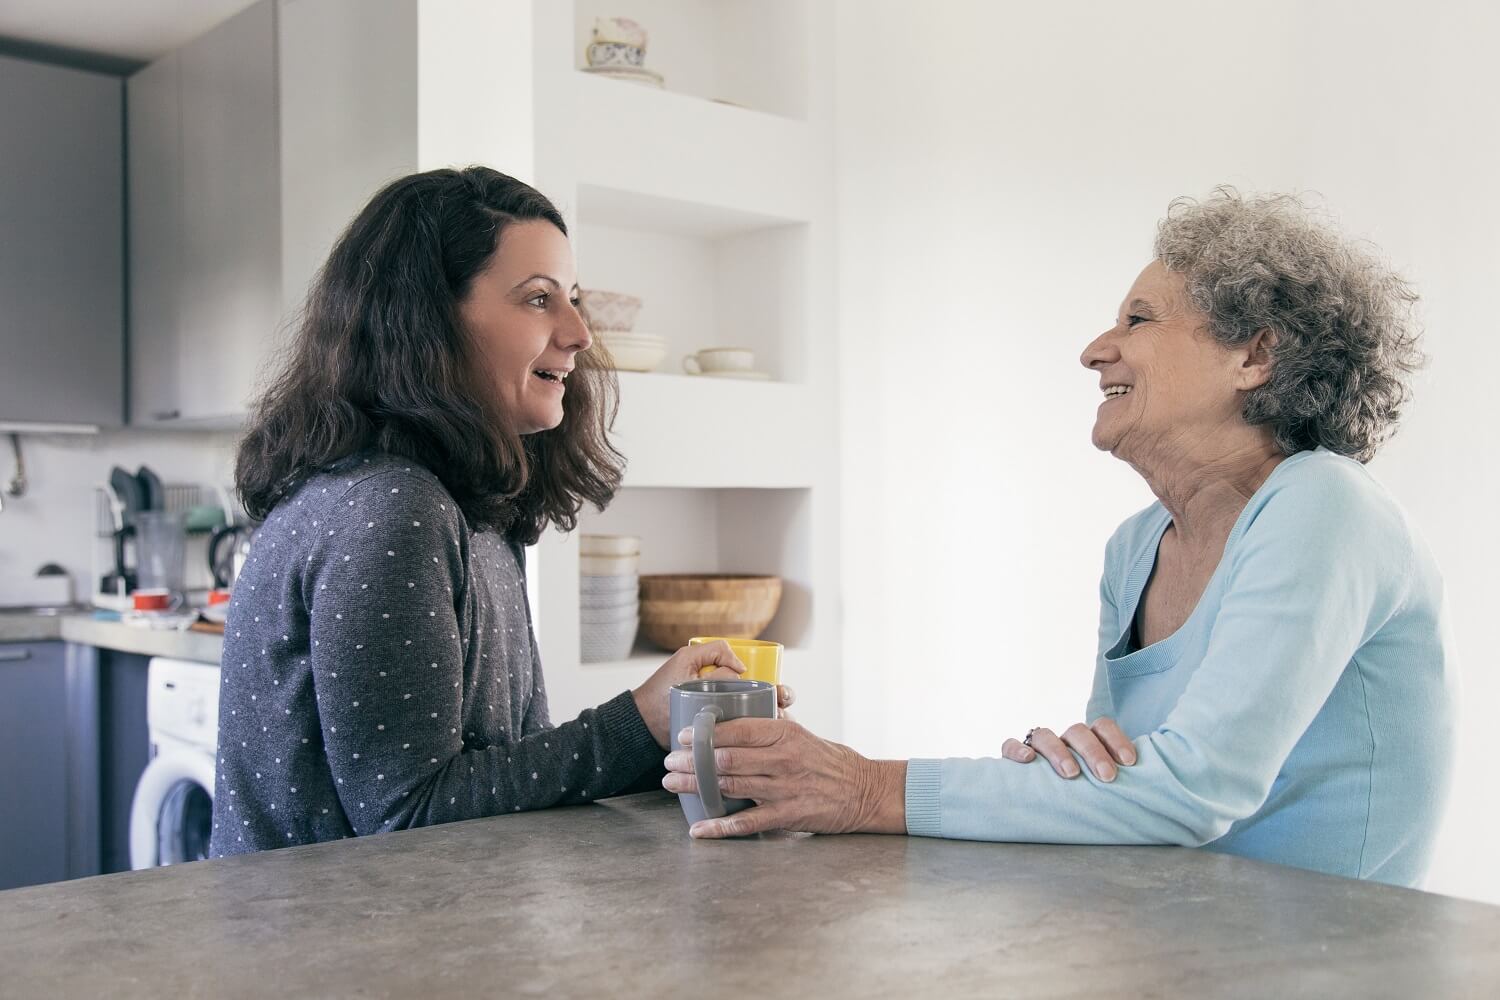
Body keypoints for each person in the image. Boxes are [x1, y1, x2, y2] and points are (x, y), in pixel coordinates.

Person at [664, 188, 1453, 888]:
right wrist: (1076, 781)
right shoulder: (1136, 548)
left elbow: (1190, 793)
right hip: (1190, 943)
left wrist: (866, 787)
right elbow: (1124, 797)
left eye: (1138, 321)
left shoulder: (1325, 505)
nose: (1095, 350)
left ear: (1254, 355)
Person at [209, 166, 789, 857]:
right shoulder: (393, 509)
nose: (580, 332)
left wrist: (668, 733)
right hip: (331, 954)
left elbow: (491, 776)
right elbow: (407, 815)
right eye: (539, 299)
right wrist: (638, 720)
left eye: (571, 299)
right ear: (427, 320)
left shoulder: (463, 506)